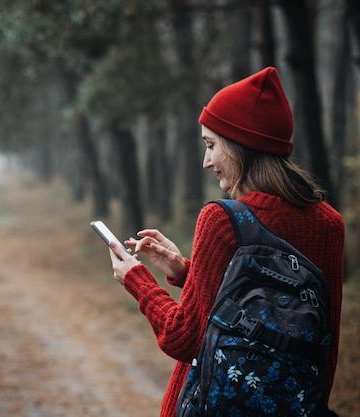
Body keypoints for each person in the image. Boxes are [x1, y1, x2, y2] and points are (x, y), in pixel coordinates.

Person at [107, 66, 345, 417]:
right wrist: (188, 272)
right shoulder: (330, 224)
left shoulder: (221, 220)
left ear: (240, 146)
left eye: (211, 145)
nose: (206, 162)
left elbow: (184, 339)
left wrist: (138, 282)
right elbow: (311, 334)